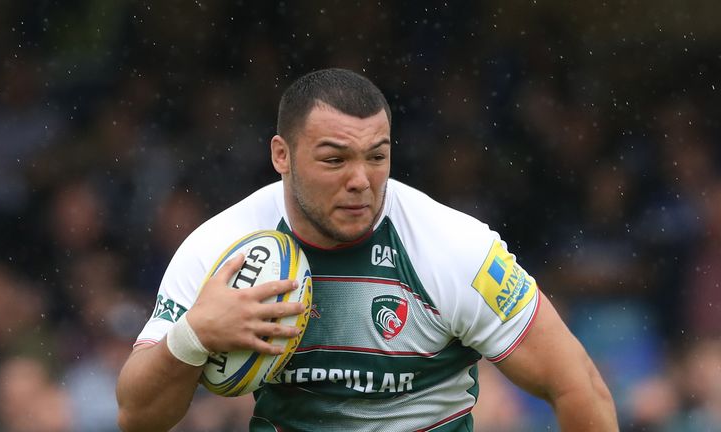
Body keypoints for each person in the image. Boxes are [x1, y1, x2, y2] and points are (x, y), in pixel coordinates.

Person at [116, 68, 618, 431]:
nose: (361, 181)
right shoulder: (222, 251)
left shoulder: (453, 248)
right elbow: (137, 417)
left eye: (377, 156)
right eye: (335, 159)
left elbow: (578, 386)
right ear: (281, 156)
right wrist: (194, 334)